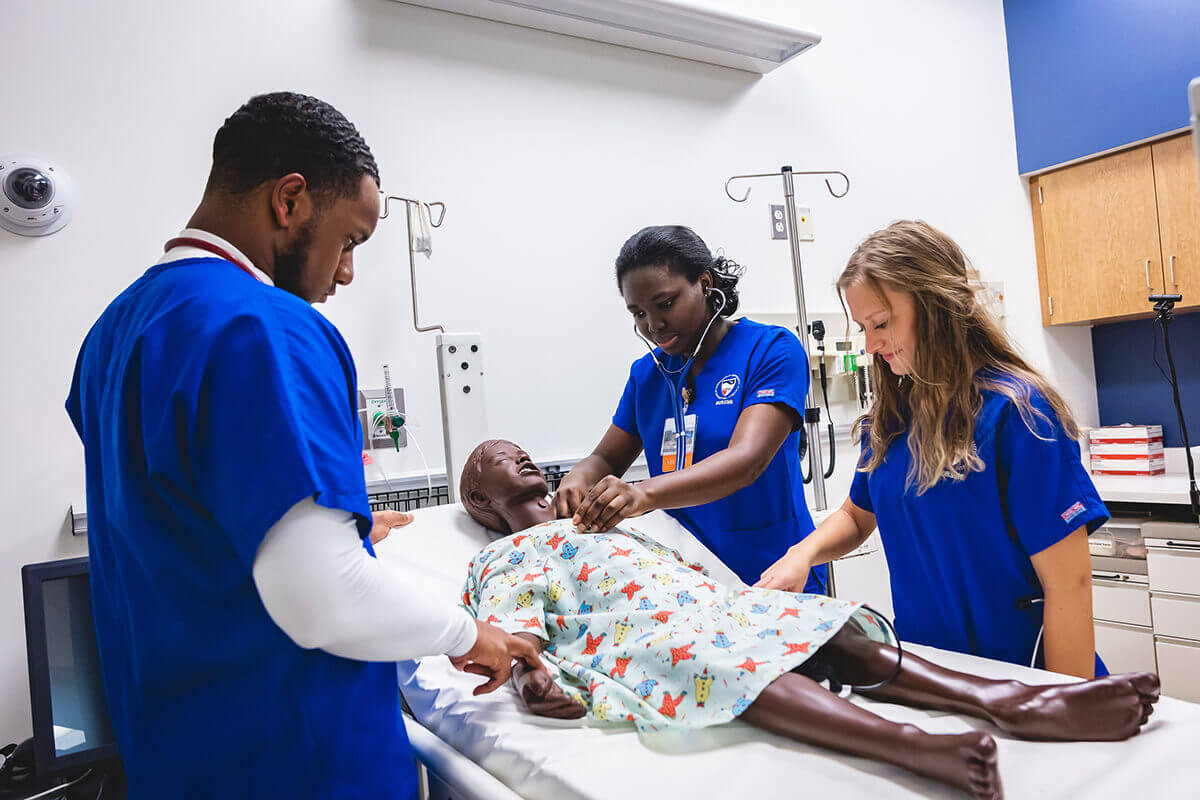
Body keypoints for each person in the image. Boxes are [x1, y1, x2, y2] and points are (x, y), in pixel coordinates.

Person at [65, 92, 540, 800]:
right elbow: (325, 598)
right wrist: (472, 634)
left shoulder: (116, 332)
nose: (345, 273)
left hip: (179, 752)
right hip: (293, 757)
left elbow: (180, 518)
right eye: (350, 241)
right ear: (289, 201)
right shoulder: (266, 327)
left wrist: (333, 525)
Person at [457, 439, 1158, 800]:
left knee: (816, 621)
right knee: (716, 659)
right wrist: (528, 675)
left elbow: (680, 568)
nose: (515, 453)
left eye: (517, 447)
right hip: (642, 639)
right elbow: (511, 634)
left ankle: (1006, 699)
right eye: (494, 458)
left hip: (713, 606)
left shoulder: (606, 520)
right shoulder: (505, 557)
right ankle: (909, 744)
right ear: (481, 504)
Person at [758, 220, 1108, 679]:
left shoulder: (1018, 415)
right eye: (863, 327)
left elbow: (1070, 585)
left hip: (1023, 674)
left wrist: (1063, 708)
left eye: (881, 323)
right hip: (935, 673)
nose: (871, 344)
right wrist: (801, 555)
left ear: (938, 307)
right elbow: (857, 516)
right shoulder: (889, 421)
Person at [555, 225, 826, 592]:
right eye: (638, 313)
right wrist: (577, 479)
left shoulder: (771, 350)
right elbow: (605, 459)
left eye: (666, 304)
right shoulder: (647, 377)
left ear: (704, 282)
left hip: (772, 572)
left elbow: (747, 460)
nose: (654, 325)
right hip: (684, 584)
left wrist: (643, 493)